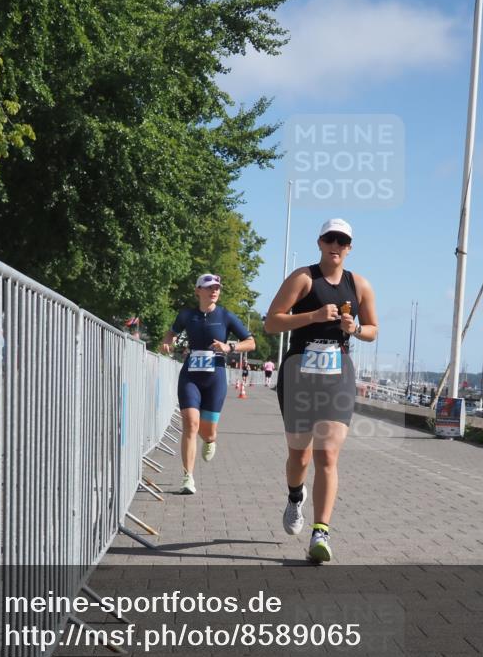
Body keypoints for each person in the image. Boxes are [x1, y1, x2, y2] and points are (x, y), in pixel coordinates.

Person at [264, 218, 378, 563]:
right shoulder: (303, 278)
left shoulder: (359, 285)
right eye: (330, 239)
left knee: (327, 454)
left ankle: (321, 531)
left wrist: (355, 328)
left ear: (350, 247)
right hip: (299, 371)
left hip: (337, 371)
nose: (336, 245)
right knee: (299, 455)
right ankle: (295, 496)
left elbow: (373, 329)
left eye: (342, 241)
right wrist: (312, 316)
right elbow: (271, 322)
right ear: (319, 242)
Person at [160, 273, 255, 494]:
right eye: (209, 287)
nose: (214, 291)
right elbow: (171, 333)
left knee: (208, 432)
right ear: (198, 291)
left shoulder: (226, 316)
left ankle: (210, 440)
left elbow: (251, 342)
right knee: (190, 423)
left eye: (217, 288)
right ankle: (188, 477)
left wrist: (229, 347)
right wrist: (167, 342)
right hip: (191, 375)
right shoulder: (187, 315)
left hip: (215, 377)